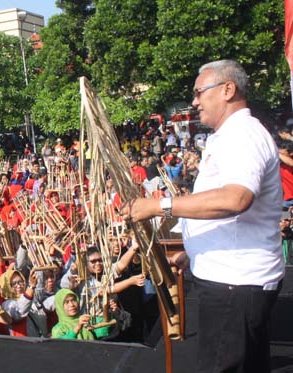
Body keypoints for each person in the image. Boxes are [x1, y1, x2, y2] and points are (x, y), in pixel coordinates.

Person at [120, 60, 284, 372]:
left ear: (227, 90)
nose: (194, 102)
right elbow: (228, 213)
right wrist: (195, 250)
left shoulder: (242, 135)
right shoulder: (229, 135)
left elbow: (236, 199)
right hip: (233, 281)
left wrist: (159, 206)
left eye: (199, 93)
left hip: (235, 286)